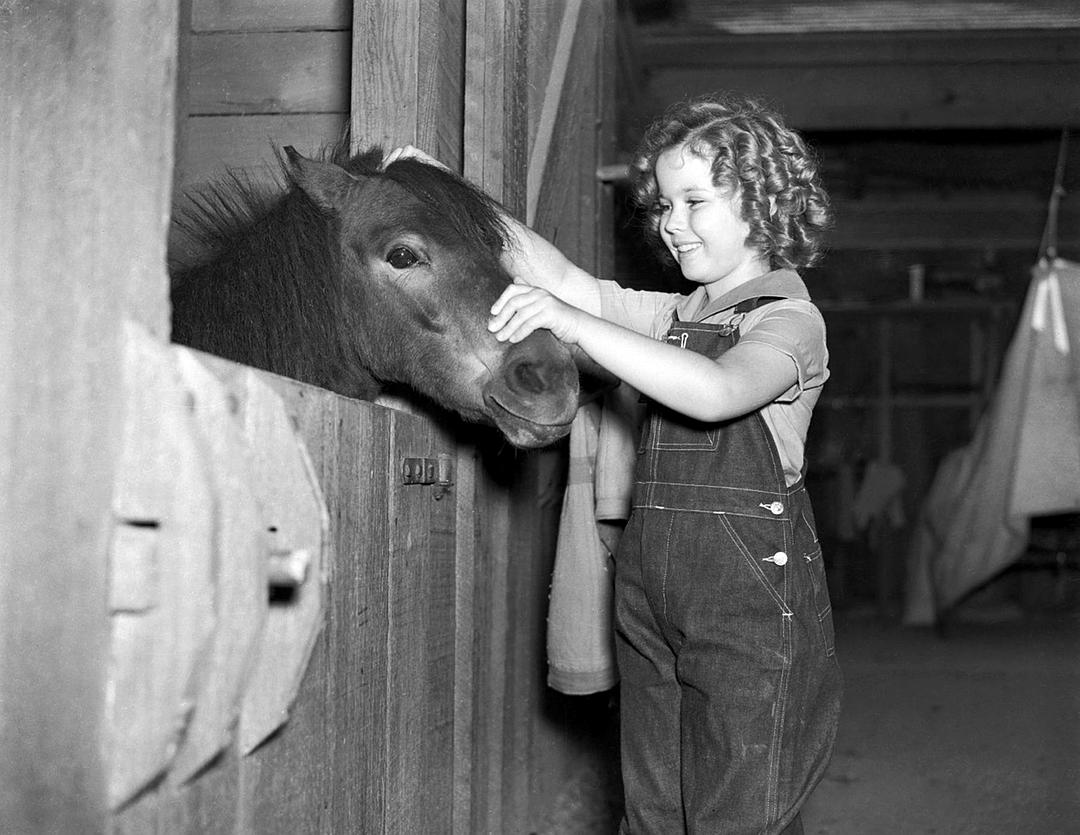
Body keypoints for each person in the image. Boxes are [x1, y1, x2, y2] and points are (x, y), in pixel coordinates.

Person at [389, 91, 842, 834]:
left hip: (750, 605)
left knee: (742, 806)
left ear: (763, 206)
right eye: (664, 202)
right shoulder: (675, 317)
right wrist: (439, 185)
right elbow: (567, 281)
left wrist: (576, 326)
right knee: (654, 805)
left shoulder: (789, 322)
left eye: (696, 200)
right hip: (651, 590)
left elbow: (717, 390)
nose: (671, 222)